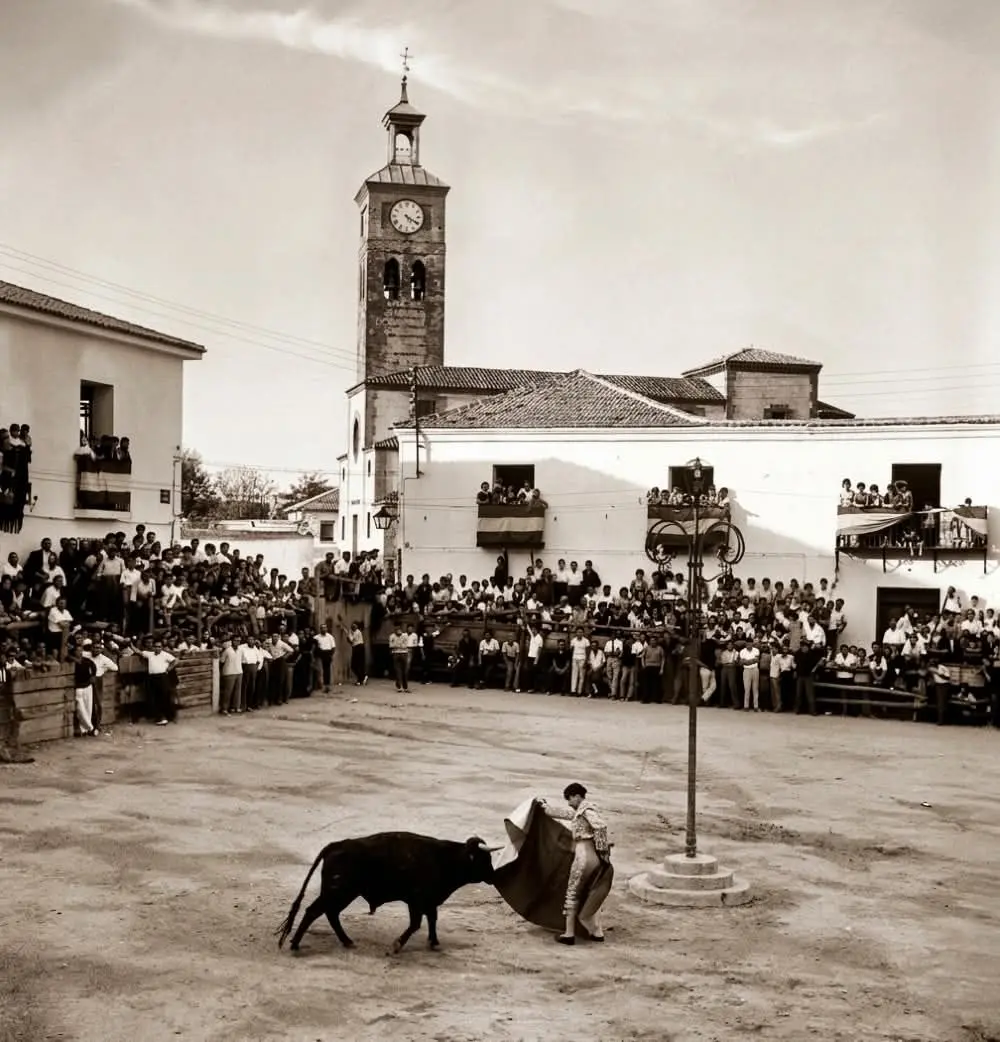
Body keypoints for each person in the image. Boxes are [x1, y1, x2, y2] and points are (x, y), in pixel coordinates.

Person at [537, 782, 612, 944]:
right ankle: (596, 932)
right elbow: (563, 813)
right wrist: (544, 807)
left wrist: (603, 851)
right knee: (590, 891)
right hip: (590, 855)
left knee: (573, 892)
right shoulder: (582, 811)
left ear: (577, 796)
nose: (569, 803)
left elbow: (601, 827)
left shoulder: (586, 810)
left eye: (570, 799)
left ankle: (569, 934)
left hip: (584, 856)